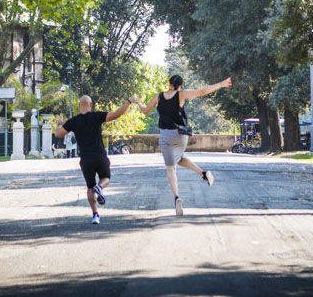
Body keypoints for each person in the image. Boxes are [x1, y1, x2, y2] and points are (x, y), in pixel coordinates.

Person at [140, 75, 232, 216]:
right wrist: (221, 84)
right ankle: (203, 173)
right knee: (179, 158)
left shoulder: (158, 97)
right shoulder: (181, 95)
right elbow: (202, 91)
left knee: (171, 168)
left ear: (169, 83)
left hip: (165, 135)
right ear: (180, 85)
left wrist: (136, 101)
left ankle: (177, 197)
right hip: (181, 135)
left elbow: (145, 111)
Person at [55, 95, 140, 224]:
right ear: (91, 105)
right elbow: (117, 114)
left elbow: (58, 133)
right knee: (106, 178)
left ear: (80, 105)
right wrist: (128, 102)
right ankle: (100, 187)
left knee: (90, 188)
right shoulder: (97, 116)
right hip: (99, 155)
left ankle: (95, 215)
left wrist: (61, 124)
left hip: (85, 159)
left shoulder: (74, 121)